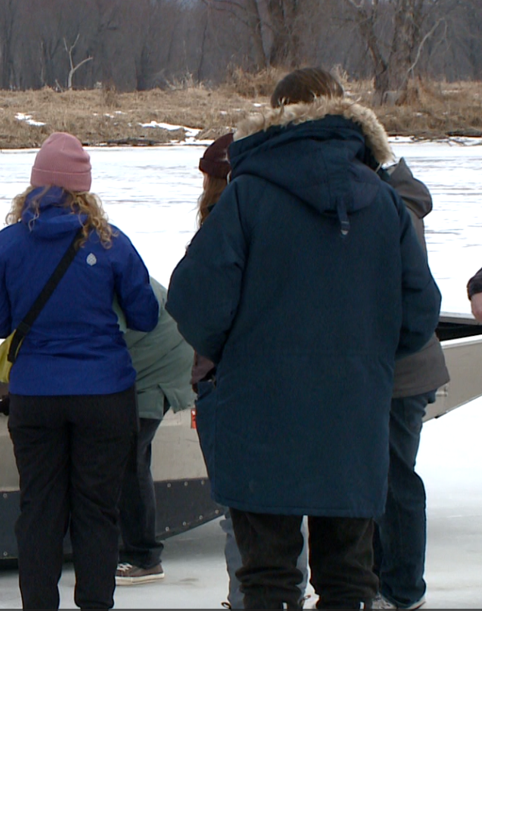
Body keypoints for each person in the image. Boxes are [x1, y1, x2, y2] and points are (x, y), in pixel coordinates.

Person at [167, 68, 441, 610]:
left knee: (268, 575)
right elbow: (419, 313)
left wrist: (235, 358)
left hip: (260, 416)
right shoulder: (385, 204)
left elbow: (195, 304)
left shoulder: (245, 198)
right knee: (348, 576)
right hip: (353, 418)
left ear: (273, 118)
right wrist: (364, 355)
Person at [0, 132, 158, 610]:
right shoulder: (110, 241)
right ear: (85, 189)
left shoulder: (8, 243)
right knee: (98, 510)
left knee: (39, 509)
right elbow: (146, 315)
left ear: (33, 186)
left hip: (36, 394)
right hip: (105, 394)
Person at [189, 132, 308, 608]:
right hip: (278, 380)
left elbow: (197, 310)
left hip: (231, 384)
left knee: (243, 509)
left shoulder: (223, 229)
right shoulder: (285, 223)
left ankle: (251, 597)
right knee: (283, 507)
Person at [371, 154, 451, 611]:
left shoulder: (395, 211)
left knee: (396, 481)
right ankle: (384, 580)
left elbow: (409, 298)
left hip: (402, 372)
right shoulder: (400, 201)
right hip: (396, 368)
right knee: (384, 478)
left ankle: (402, 589)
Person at [114, 276, 194, 586]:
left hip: (155, 368)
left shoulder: (95, 270)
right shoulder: (107, 256)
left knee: (129, 461)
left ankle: (144, 557)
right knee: (130, 458)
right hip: (160, 354)